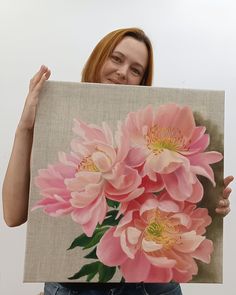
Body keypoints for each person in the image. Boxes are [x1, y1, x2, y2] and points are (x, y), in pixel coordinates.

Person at [2, 28, 233, 295]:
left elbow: (172, 199)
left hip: (152, 288)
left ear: (142, 81)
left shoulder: (148, 130)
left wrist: (211, 202)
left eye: (136, 70)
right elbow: (12, 214)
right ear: (98, 58)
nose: (123, 72)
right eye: (116, 59)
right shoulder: (56, 119)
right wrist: (25, 128)